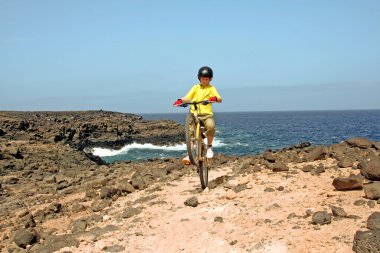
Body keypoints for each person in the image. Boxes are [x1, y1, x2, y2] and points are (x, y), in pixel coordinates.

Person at [173, 66, 223, 164]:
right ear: (199, 78)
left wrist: (214, 99)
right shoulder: (195, 87)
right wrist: (180, 100)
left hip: (206, 114)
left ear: (210, 79)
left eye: (207, 79)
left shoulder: (211, 88)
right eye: (203, 78)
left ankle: (209, 147)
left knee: (211, 126)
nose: (205, 80)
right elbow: (187, 98)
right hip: (194, 114)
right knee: (191, 134)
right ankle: (190, 154)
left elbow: (219, 98)